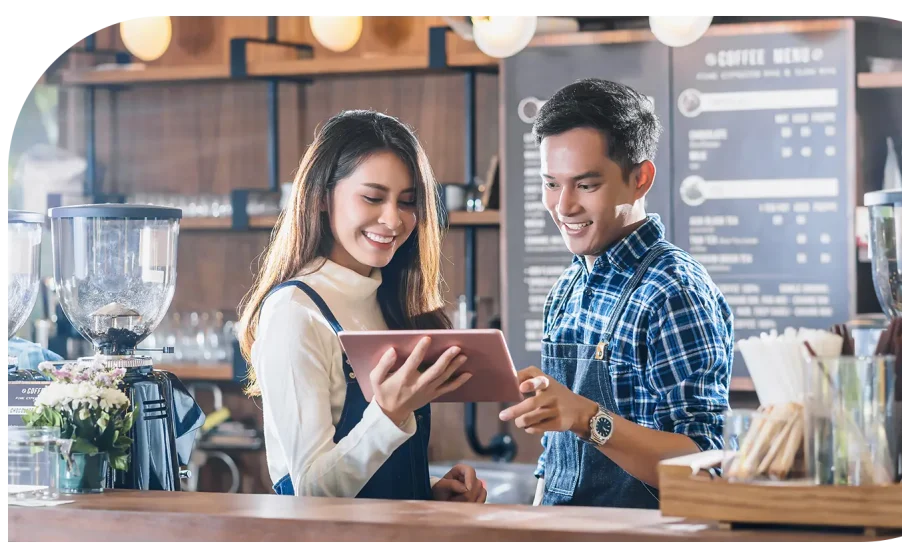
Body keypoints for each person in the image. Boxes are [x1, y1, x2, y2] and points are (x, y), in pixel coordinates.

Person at [499, 79, 734, 509]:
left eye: (586, 185)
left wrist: (587, 418)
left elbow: (706, 462)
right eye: (551, 184)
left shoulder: (673, 291)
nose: (563, 206)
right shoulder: (567, 288)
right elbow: (556, 458)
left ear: (640, 179)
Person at [238, 109, 486, 503]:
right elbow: (312, 491)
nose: (393, 220)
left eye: (407, 202)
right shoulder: (294, 312)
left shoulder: (390, 302)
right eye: (373, 198)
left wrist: (425, 493)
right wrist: (388, 414)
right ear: (321, 197)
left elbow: (370, 476)